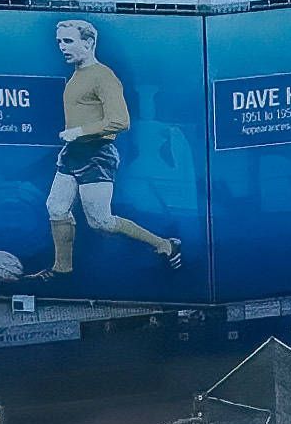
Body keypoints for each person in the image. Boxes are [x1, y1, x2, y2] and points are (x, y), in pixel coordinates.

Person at [25, 18, 182, 280]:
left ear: (88, 43)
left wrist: (79, 131)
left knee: (101, 221)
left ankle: (165, 244)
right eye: (59, 42)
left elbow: (121, 120)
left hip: (97, 154)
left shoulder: (104, 76)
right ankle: (61, 270)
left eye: (69, 41)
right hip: (73, 153)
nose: (62, 47)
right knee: (56, 207)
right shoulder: (77, 74)